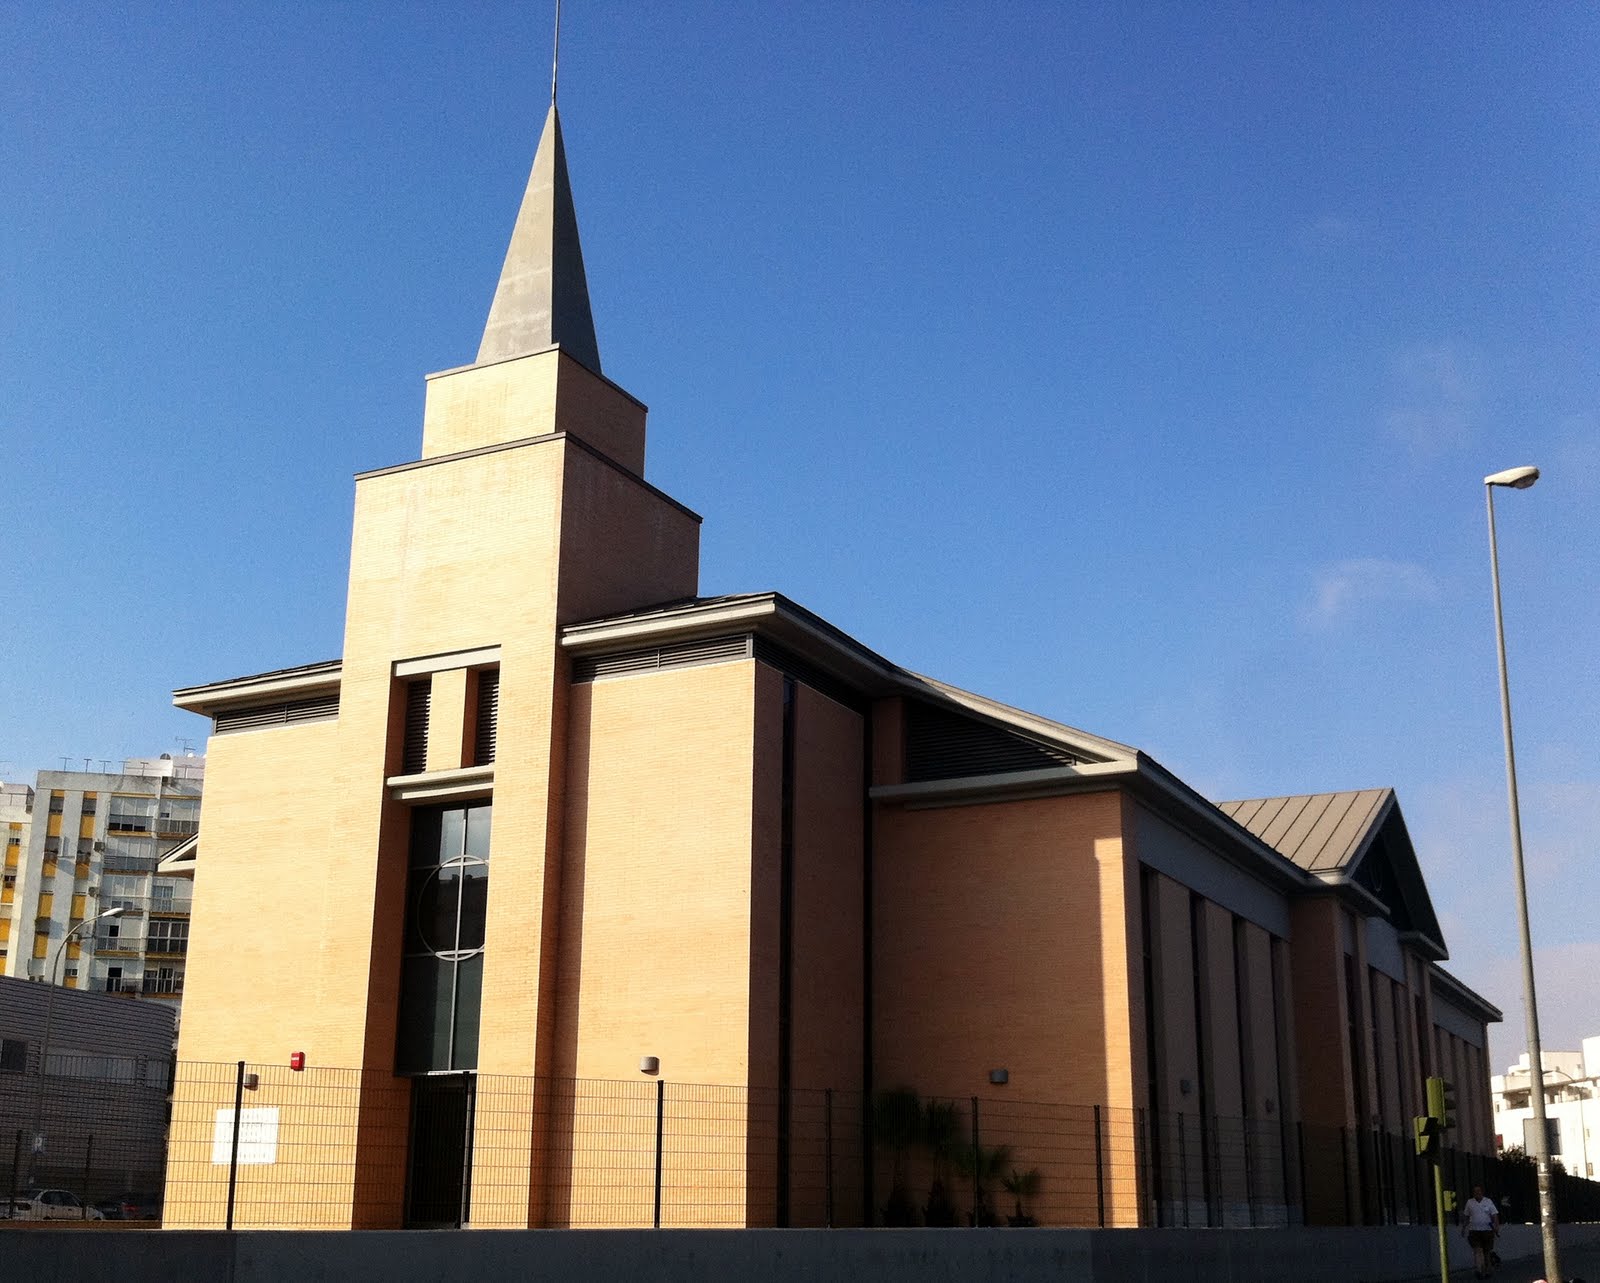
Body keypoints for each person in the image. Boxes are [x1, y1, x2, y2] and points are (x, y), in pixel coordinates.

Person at [1461, 1182, 1501, 1278]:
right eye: (1475, 1191)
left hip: (1487, 1230)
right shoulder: (1470, 1202)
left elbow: (1494, 1215)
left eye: (1478, 1191)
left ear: (1482, 1192)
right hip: (1474, 1230)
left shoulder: (1488, 1201)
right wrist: (1464, 1227)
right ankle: (1479, 1270)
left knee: (1486, 1251)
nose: (1477, 1193)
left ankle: (1488, 1270)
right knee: (1477, 1250)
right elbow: (1466, 1216)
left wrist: (1496, 1227)